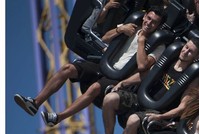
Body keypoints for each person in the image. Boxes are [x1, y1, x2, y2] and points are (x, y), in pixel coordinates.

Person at [14, 6, 166, 126]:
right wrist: (120, 29)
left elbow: (142, 66)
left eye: (154, 22)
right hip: (104, 65)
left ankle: (57, 118)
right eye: (149, 18)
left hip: (120, 76)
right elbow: (105, 38)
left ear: (158, 26)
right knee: (68, 68)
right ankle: (35, 103)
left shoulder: (158, 46)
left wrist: (141, 41)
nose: (149, 23)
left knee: (94, 88)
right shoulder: (132, 26)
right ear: (145, 16)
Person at [91, 37, 199, 134]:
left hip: (158, 110)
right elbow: (146, 75)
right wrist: (124, 83)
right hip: (141, 98)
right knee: (110, 98)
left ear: (197, 57)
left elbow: (182, 107)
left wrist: (162, 117)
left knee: (133, 120)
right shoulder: (170, 59)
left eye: (190, 51)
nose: (185, 51)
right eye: (186, 47)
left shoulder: (192, 77)